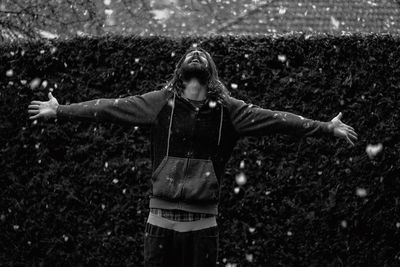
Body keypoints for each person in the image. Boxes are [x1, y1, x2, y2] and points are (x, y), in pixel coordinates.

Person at [28, 47, 358, 267]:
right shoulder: (160, 103)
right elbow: (110, 108)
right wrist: (60, 111)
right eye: (191, 53)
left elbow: (277, 119)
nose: (196, 53)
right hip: (159, 221)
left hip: (204, 225)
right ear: (181, 71)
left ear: (210, 72)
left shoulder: (230, 111)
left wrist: (326, 128)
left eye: (202, 54)